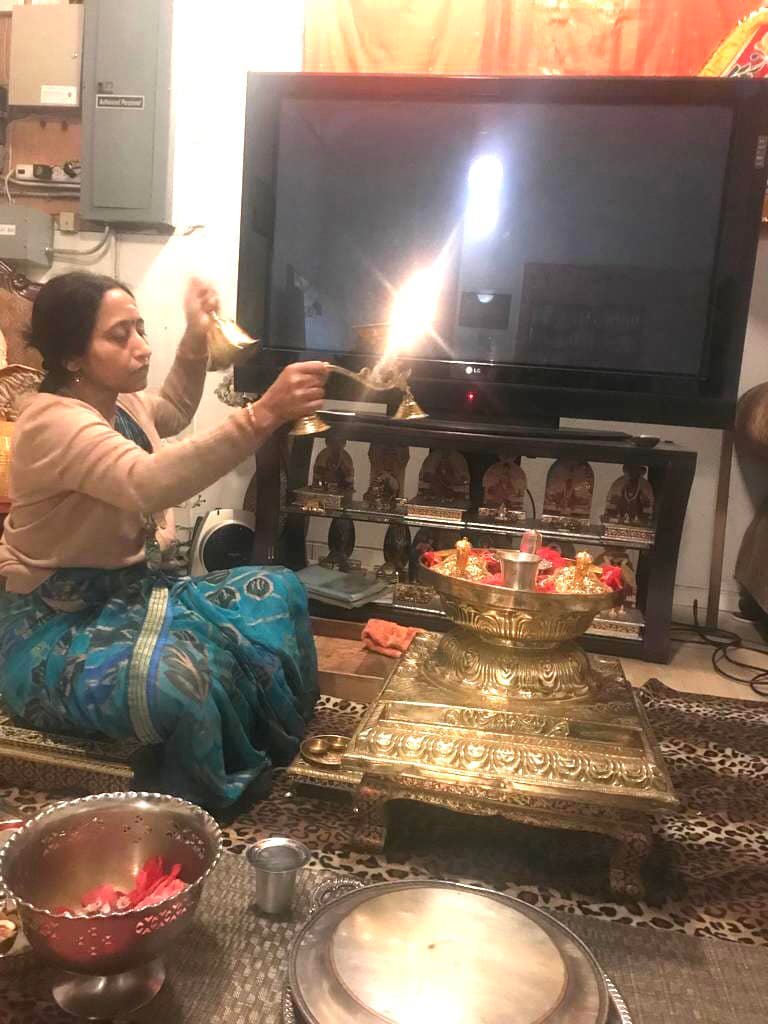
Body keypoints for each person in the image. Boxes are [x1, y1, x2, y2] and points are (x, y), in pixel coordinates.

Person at [0, 271, 329, 810]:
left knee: (278, 588)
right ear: (73, 356)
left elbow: (172, 409)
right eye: (120, 335)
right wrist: (265, 413)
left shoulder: (118, 403)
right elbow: (147, 481)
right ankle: (187, 806)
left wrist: (196, 337)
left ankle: (271, 745)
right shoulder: (53, 423)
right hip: (57, 623)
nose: (142, 346)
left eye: (141, 329)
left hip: (130, 595)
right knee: (186, 681)